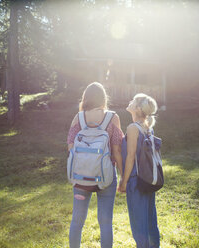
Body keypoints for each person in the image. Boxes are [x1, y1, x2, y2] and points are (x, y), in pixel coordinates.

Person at [67, 82, 124, 248]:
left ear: (85, 98)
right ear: (103, 98)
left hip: (80, 178)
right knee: (105, 222)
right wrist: (122, 177)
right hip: (106, 178)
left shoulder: (79, 118)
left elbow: (71, 147)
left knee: (77, 221)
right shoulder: (112, 117)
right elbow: (117, 150)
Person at [118, 93, 161, 248]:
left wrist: (123, 182)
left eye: (133, 101)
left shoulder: (132, 128)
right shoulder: (148, 127)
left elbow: (130, 158)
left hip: (136, 180)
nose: (129, 102)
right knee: (150, 221)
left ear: (136, 108)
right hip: (148, 179)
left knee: (138, 225)